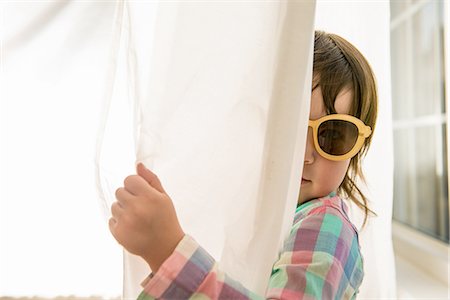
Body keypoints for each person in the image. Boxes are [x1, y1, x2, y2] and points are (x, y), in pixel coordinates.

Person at [108, 30, 378, 299]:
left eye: (333, 135)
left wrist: (167, 253)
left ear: (357, 148)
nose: (304, 155)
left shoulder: (326, 224)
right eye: (288, 127)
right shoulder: (252, 205)